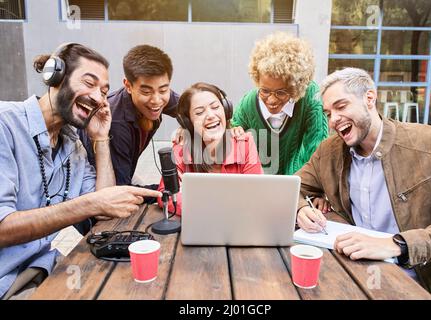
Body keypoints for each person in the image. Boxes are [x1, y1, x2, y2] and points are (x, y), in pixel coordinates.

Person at [0, 43, 160, 300]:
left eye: (104, 91)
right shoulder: (4, 123)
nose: (98, 98)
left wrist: (101, 138)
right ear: (55, 77)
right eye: (89, 83)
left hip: (41, 272)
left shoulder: (73, 145)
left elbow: (104, 205)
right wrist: (86, 205)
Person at [295, 67, 431, 300]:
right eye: (328, 113)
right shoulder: (328, 152)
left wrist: (397, 245)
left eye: (341, 106)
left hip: (419, 281)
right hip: (352, 273)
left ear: (369, 98)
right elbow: (289, 188)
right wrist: (301, 208)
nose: (334, 120)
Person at [80, 44, 179, 186]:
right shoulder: (115, 124)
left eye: (163, 90)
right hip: (97, 182)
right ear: (128, 86)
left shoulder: (158, 95)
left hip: (123, 170)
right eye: (146, 92)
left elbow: (190, 108)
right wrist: (166, 190)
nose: (157, 100)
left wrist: (184, 125)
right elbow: (121, 189)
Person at [158, 82, 264, 214]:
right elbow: (165, 195)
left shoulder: (245, 143)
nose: (211, 115)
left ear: (226, 110)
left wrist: (203, 204)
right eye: (199, 112)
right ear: (188, 122)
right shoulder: (180, 149)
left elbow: (255, 194)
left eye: (215, 107)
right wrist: (214, 208)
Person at [231, 32, 328, 175]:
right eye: (265, 91)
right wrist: (234, 131)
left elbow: (316, 150)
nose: (271, 100)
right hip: (258, 183)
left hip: (299, 183)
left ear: (296, 87)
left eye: (281, 92)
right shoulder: (248, 104)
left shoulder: (311, 98)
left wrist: (295, 187)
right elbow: (232, 133)